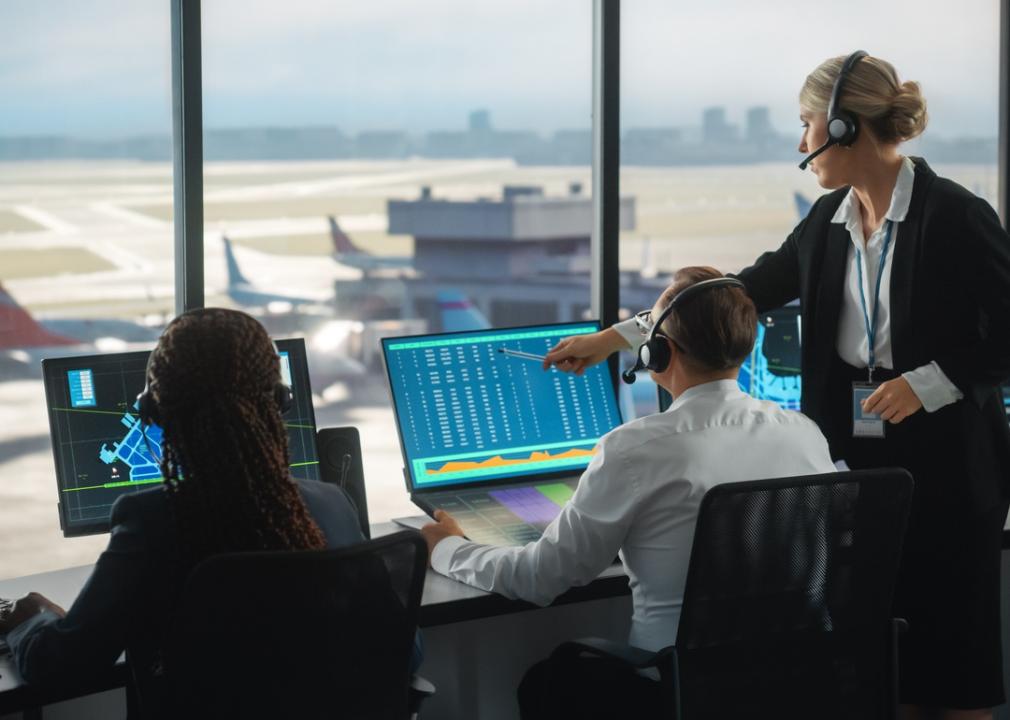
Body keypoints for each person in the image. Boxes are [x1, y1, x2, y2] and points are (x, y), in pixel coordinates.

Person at [544, 54, 1010, 720]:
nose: (800, 143)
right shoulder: (828, 222)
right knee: (880, 659)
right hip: (856, 458)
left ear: (844, 127)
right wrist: (617, 338)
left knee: (952, 667)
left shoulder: (955, 217)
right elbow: (734, 293)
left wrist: (928, 383)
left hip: (949, 466)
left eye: (806, 124)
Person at [421, 266, 837, 718]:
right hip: (796, 687)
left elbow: (539, 578)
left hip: (675, 692)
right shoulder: (804, 433)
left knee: (545, 683)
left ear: (659, 353)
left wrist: (449, 550)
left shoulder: (633, 450)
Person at [0, 308, 421, 708]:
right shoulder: (332, 504)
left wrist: (29, 621)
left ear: (154, 412)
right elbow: (405, 651)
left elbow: (60, 666)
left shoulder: (153, 523)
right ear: (279, 401)